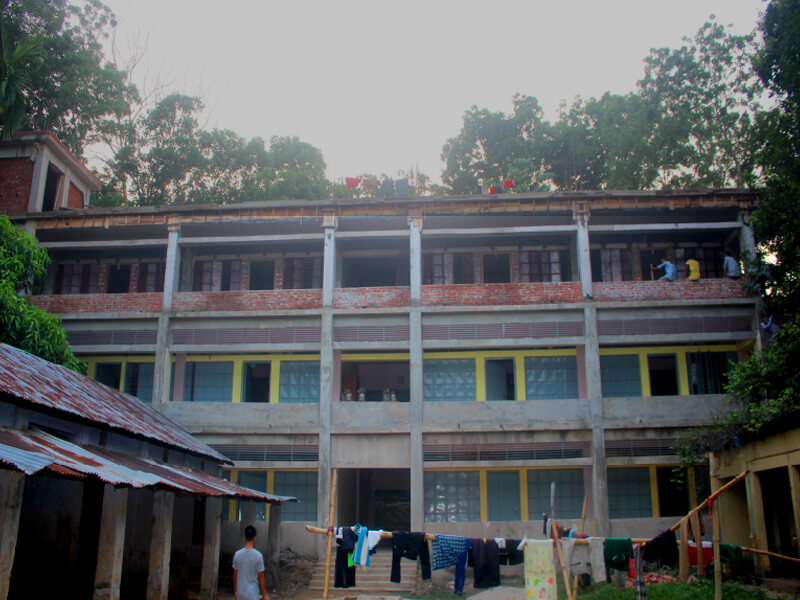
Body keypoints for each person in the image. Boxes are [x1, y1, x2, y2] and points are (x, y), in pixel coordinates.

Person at [233, 525, 269, 600]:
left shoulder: (237, 554)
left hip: (240, 594)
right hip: (252, 594)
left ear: (245, 539)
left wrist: (236, 591)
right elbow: (261, 576)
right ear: (254, 539)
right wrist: (265, 594)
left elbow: (235, 574)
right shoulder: (258, 556)